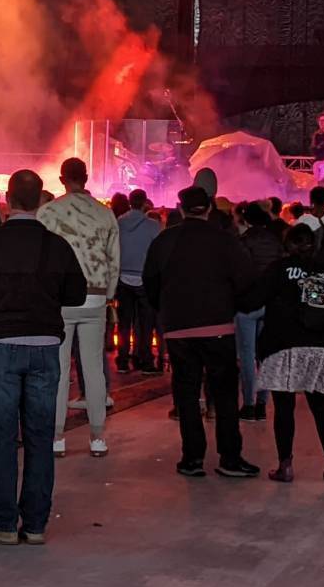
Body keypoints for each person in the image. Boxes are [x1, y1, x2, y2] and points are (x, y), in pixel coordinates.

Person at [0, 169, 86, 545]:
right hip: (45, 349)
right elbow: (77, 293)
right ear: (40, 201)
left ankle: (2, 523)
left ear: (9, 200)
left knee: (1, 437)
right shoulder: (57, 245)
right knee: (39, 436)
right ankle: (34, 524)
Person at [142, 186, 265, 480]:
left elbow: (151, 283)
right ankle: (230, 457)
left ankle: (192, 457)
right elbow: (246, 281)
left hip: (179, 329)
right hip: (218, 326)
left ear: (181, 208)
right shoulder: (226, 241)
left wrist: (166, 311)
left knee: (186, 393)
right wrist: (233, 306)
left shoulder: (164, 241)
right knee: (223, 393)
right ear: (209, 208)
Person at [37, 156, 119, 458]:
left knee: (58, 369)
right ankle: (97, 437)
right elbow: (114, 260)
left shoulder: (48, 213)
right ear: (86, 177)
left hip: (59, 300)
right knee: (94, 367)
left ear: (62, 179)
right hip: (95, 297)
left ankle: (57, 436)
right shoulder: (105, 214)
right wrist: (109, 294)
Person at [256, 222, 324, 483]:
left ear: (288, 245)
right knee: (322, 406)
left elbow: (253, 299)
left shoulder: (278, 270)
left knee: (284, 408)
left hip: (283, 346)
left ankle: (286, 466)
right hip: (321, 347)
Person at [233, 200, 284, 419]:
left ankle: (249, 404)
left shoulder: (243, 241)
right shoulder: (276, 241)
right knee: (266, 355)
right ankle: (263, 403)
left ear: (247, 220)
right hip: (270, 303)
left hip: (247, 305)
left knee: (247, 355)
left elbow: (239, 273)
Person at [114, 188, 161, 372]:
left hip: (123, 277)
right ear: (145, 203)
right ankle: (145, 360)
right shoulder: (153, 226)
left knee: (124, 323)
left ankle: (123, 360)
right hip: (144, 278)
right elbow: (157, 252)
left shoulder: (119, 222)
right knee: (146, 324)